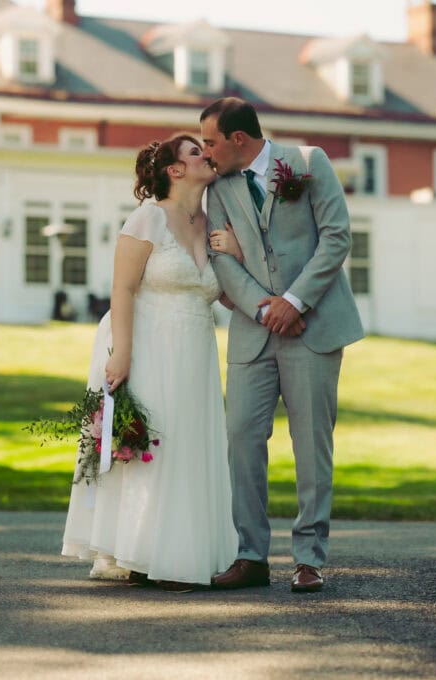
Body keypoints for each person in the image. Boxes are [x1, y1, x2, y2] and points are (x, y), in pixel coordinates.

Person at [61, 134, 238, 592]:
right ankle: (139, 551)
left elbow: (229, 297)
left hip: (196, 350)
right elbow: (122, 288)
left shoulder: (213, 223)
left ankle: (178, 551)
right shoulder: (148, 217)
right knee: (151, 446)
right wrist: (122, 351)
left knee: (187, 446)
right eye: (196, 151)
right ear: (175, 170)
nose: (207, 155)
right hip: (148, 342)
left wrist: (236, 255)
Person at [201, 97, 364, 593]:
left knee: (311, 445)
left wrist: (295, 302)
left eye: (210, 141)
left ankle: (309, 558)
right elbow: (220, 256)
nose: (205, 152)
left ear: (238, 140)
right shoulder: (219, 188)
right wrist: (267, 309)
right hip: (254, 333)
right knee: (242, 441)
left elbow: (336, 238)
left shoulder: (310, 163)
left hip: (314, 329)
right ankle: (250, 556)